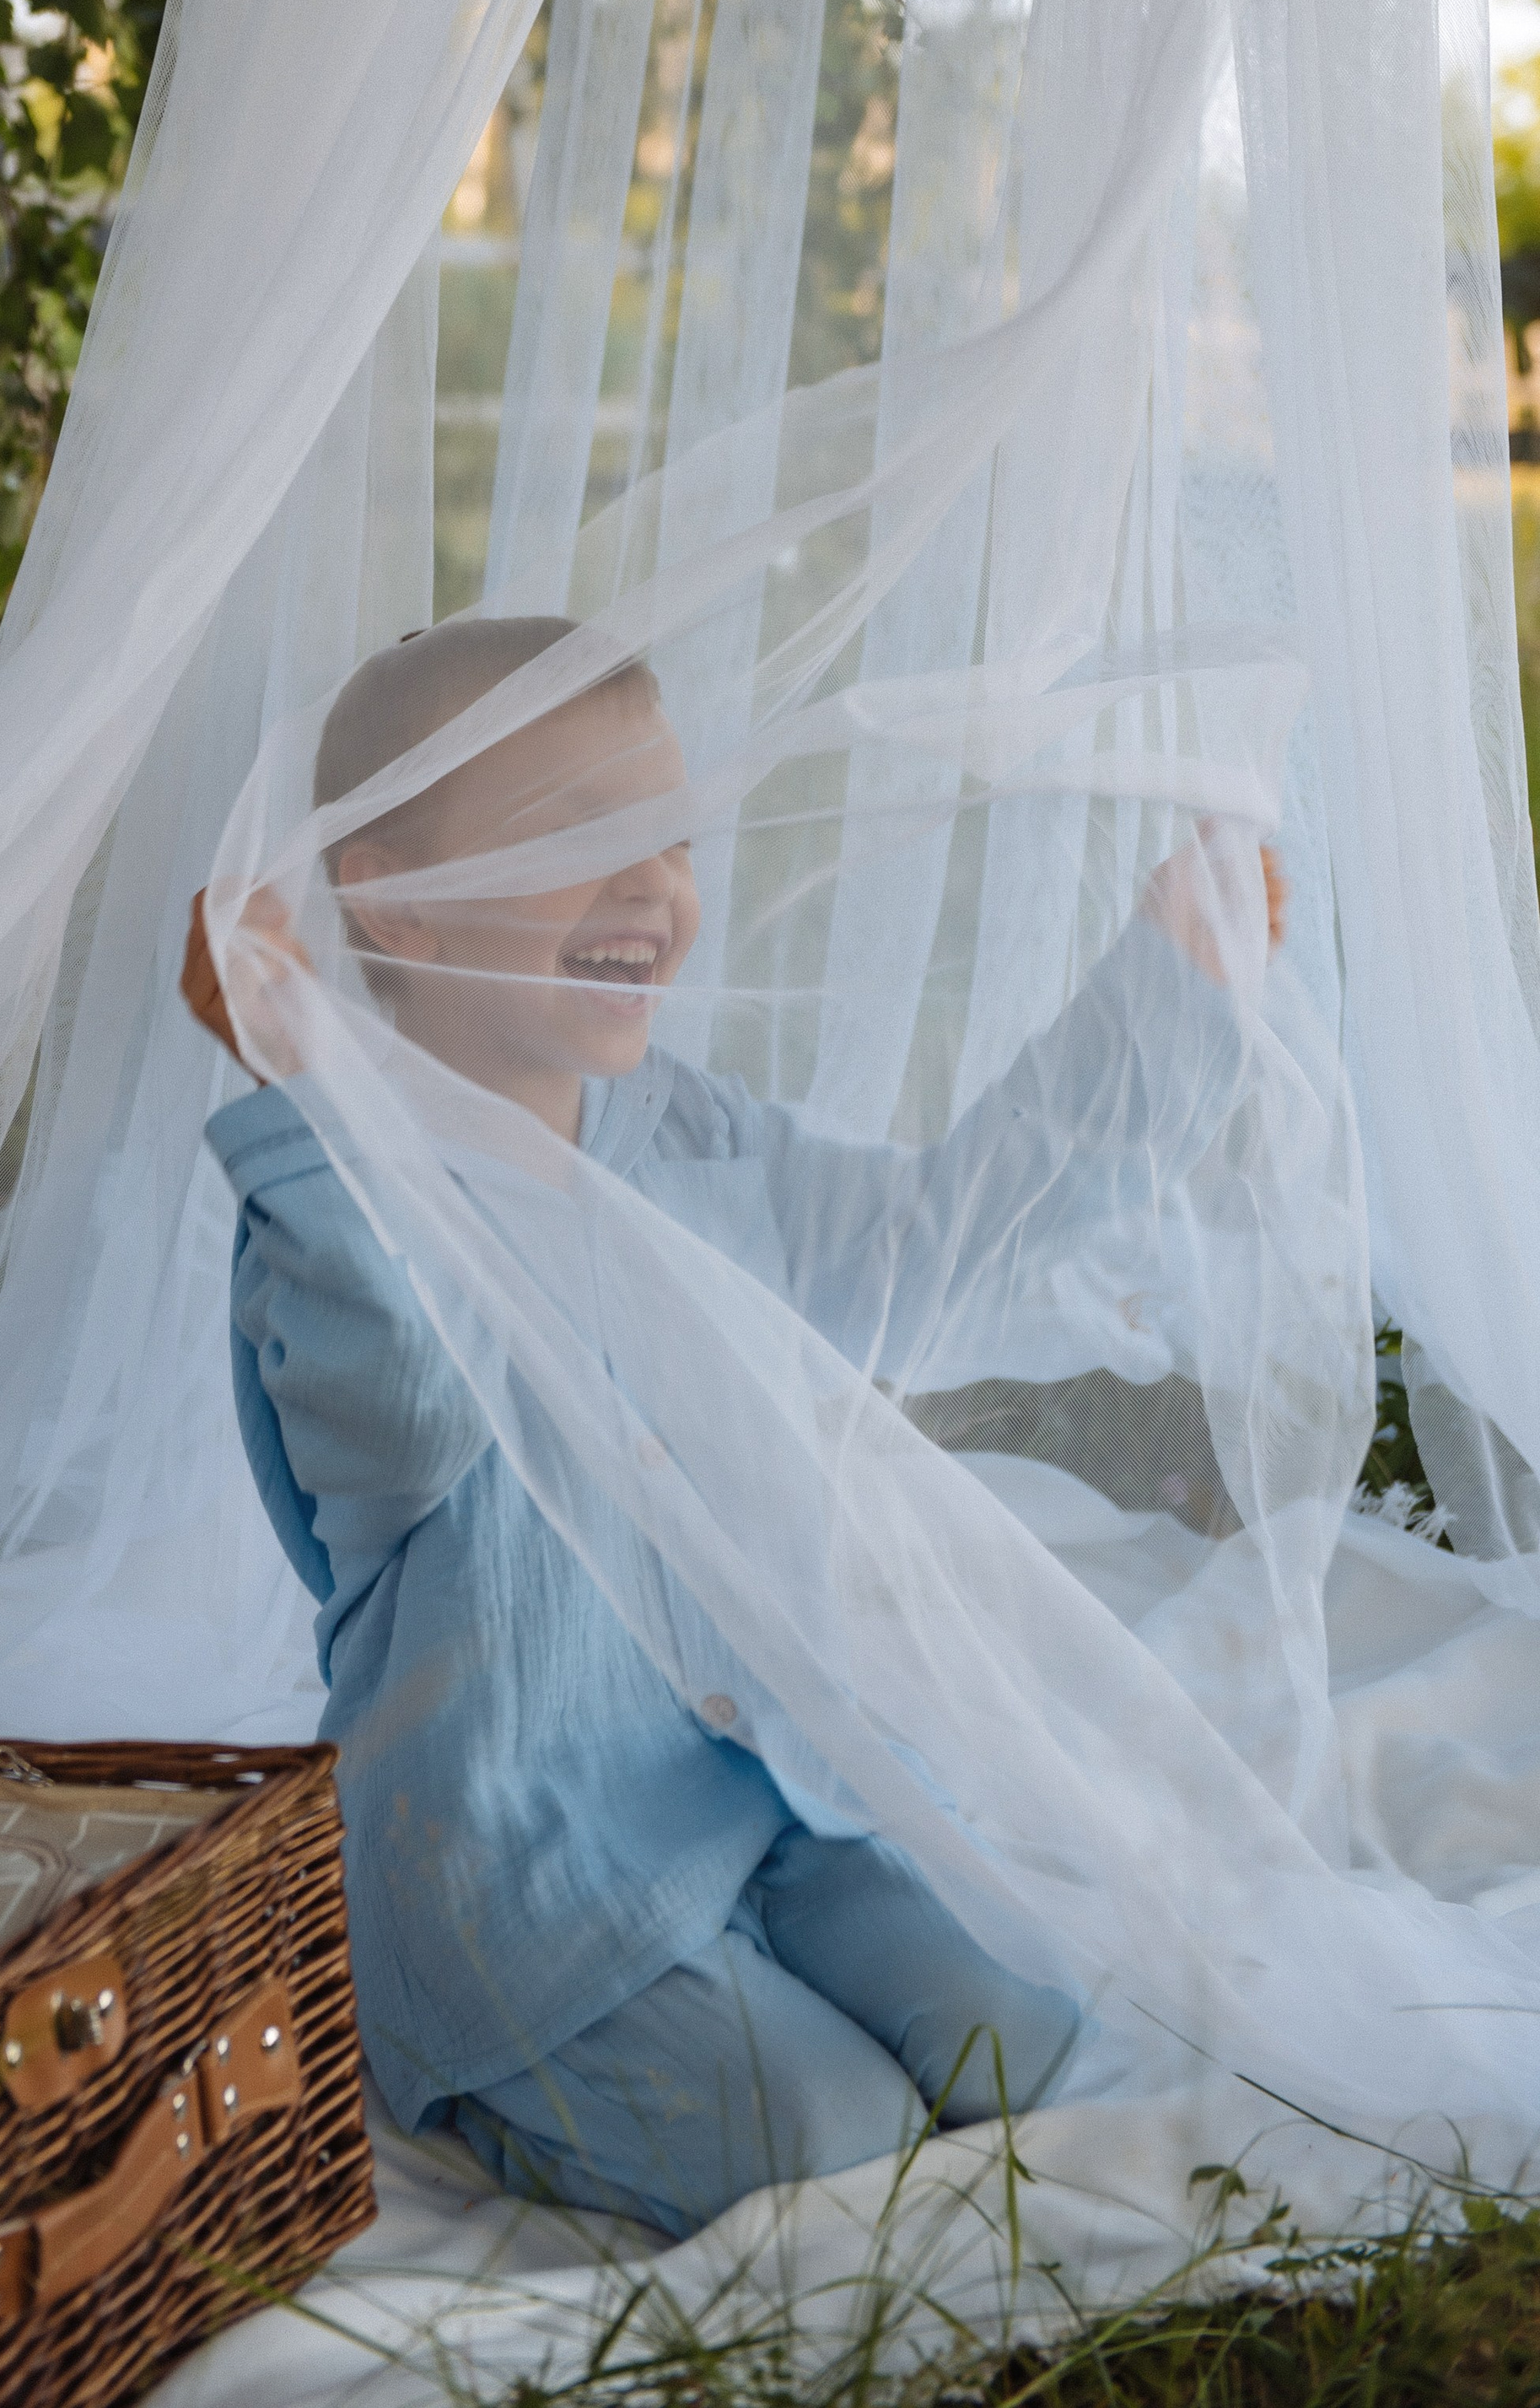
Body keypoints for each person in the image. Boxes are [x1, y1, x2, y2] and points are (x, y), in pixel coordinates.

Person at [180, 617, 1284, 2237]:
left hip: (769, 1789)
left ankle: (792, 1978)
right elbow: (407, 1421)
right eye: (581, 843)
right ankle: (470, 2065)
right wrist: (313, 1078)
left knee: (1029, 2037)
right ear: (396, 904)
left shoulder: (687, 1137)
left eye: (675, 842)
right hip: (532, 1862)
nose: (654, 889)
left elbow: (927, 1248)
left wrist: (1163, 997)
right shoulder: (331, 1207)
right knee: (833, 2144)